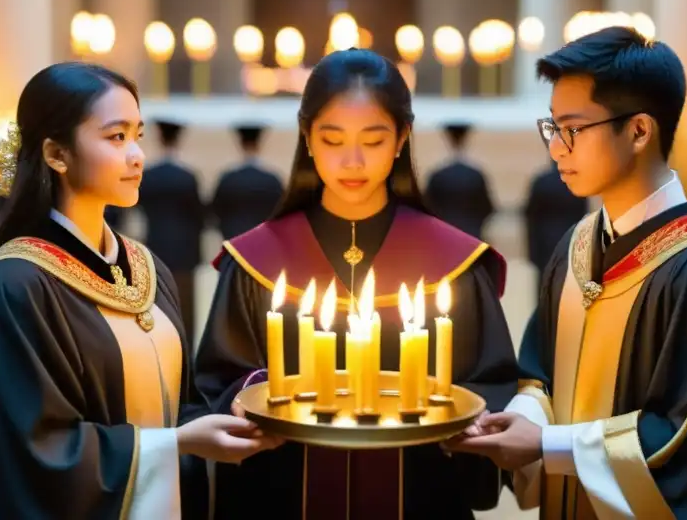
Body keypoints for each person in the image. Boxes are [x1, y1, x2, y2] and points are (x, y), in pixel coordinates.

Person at [449, 27, 687, 519]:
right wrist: (517, 421)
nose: (557, 149)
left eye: (572, 129)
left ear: (640, 130)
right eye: (552, 128)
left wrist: (547, 444)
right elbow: (540, 373)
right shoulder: (578, 245)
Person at [0, 62, 280, 519]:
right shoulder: (16, 284)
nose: (137, 154)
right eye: (116, 137)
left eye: (138, 134)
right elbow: (32, 452)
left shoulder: (146, 267)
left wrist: (251, 403)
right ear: (56, 154)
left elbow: (174, 406)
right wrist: (176, 443)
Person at [195, 49, 519, 520]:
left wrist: (468, 424)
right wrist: (260, 397)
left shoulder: (453, 264)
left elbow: (491, 384)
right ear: (307, 137)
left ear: (402, 138)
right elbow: (216, 384)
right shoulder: (256, 262)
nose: (352, 161)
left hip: (419, 496)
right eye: (332, 139)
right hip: (282, 496)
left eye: (373, 140)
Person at [136, 119, 205, 341]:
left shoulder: (149, 175)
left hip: (154, 247)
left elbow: (138, 209)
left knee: (156, 307)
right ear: (178, 140)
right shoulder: (187, 176)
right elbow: (199, 217)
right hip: (185, 252)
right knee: (185, 310)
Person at [209, 124, 284, 240]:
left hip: (234, 239)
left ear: (241, 144)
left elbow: (216, 211)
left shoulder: (228, 179)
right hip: (264, 240)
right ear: (259, 144)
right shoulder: (272, 179)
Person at [523, 159, 588, 293]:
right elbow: (583, 216)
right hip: (570, 241)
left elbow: (531, 218)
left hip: (544, 243)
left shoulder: (541, 182)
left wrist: (531, 251)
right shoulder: (578, 183)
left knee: (545, 287)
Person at [423, 123, 495, 238]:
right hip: (471, 235)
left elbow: (427, 208)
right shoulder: (475, 175)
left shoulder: (438, 175)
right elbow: (488, 208)